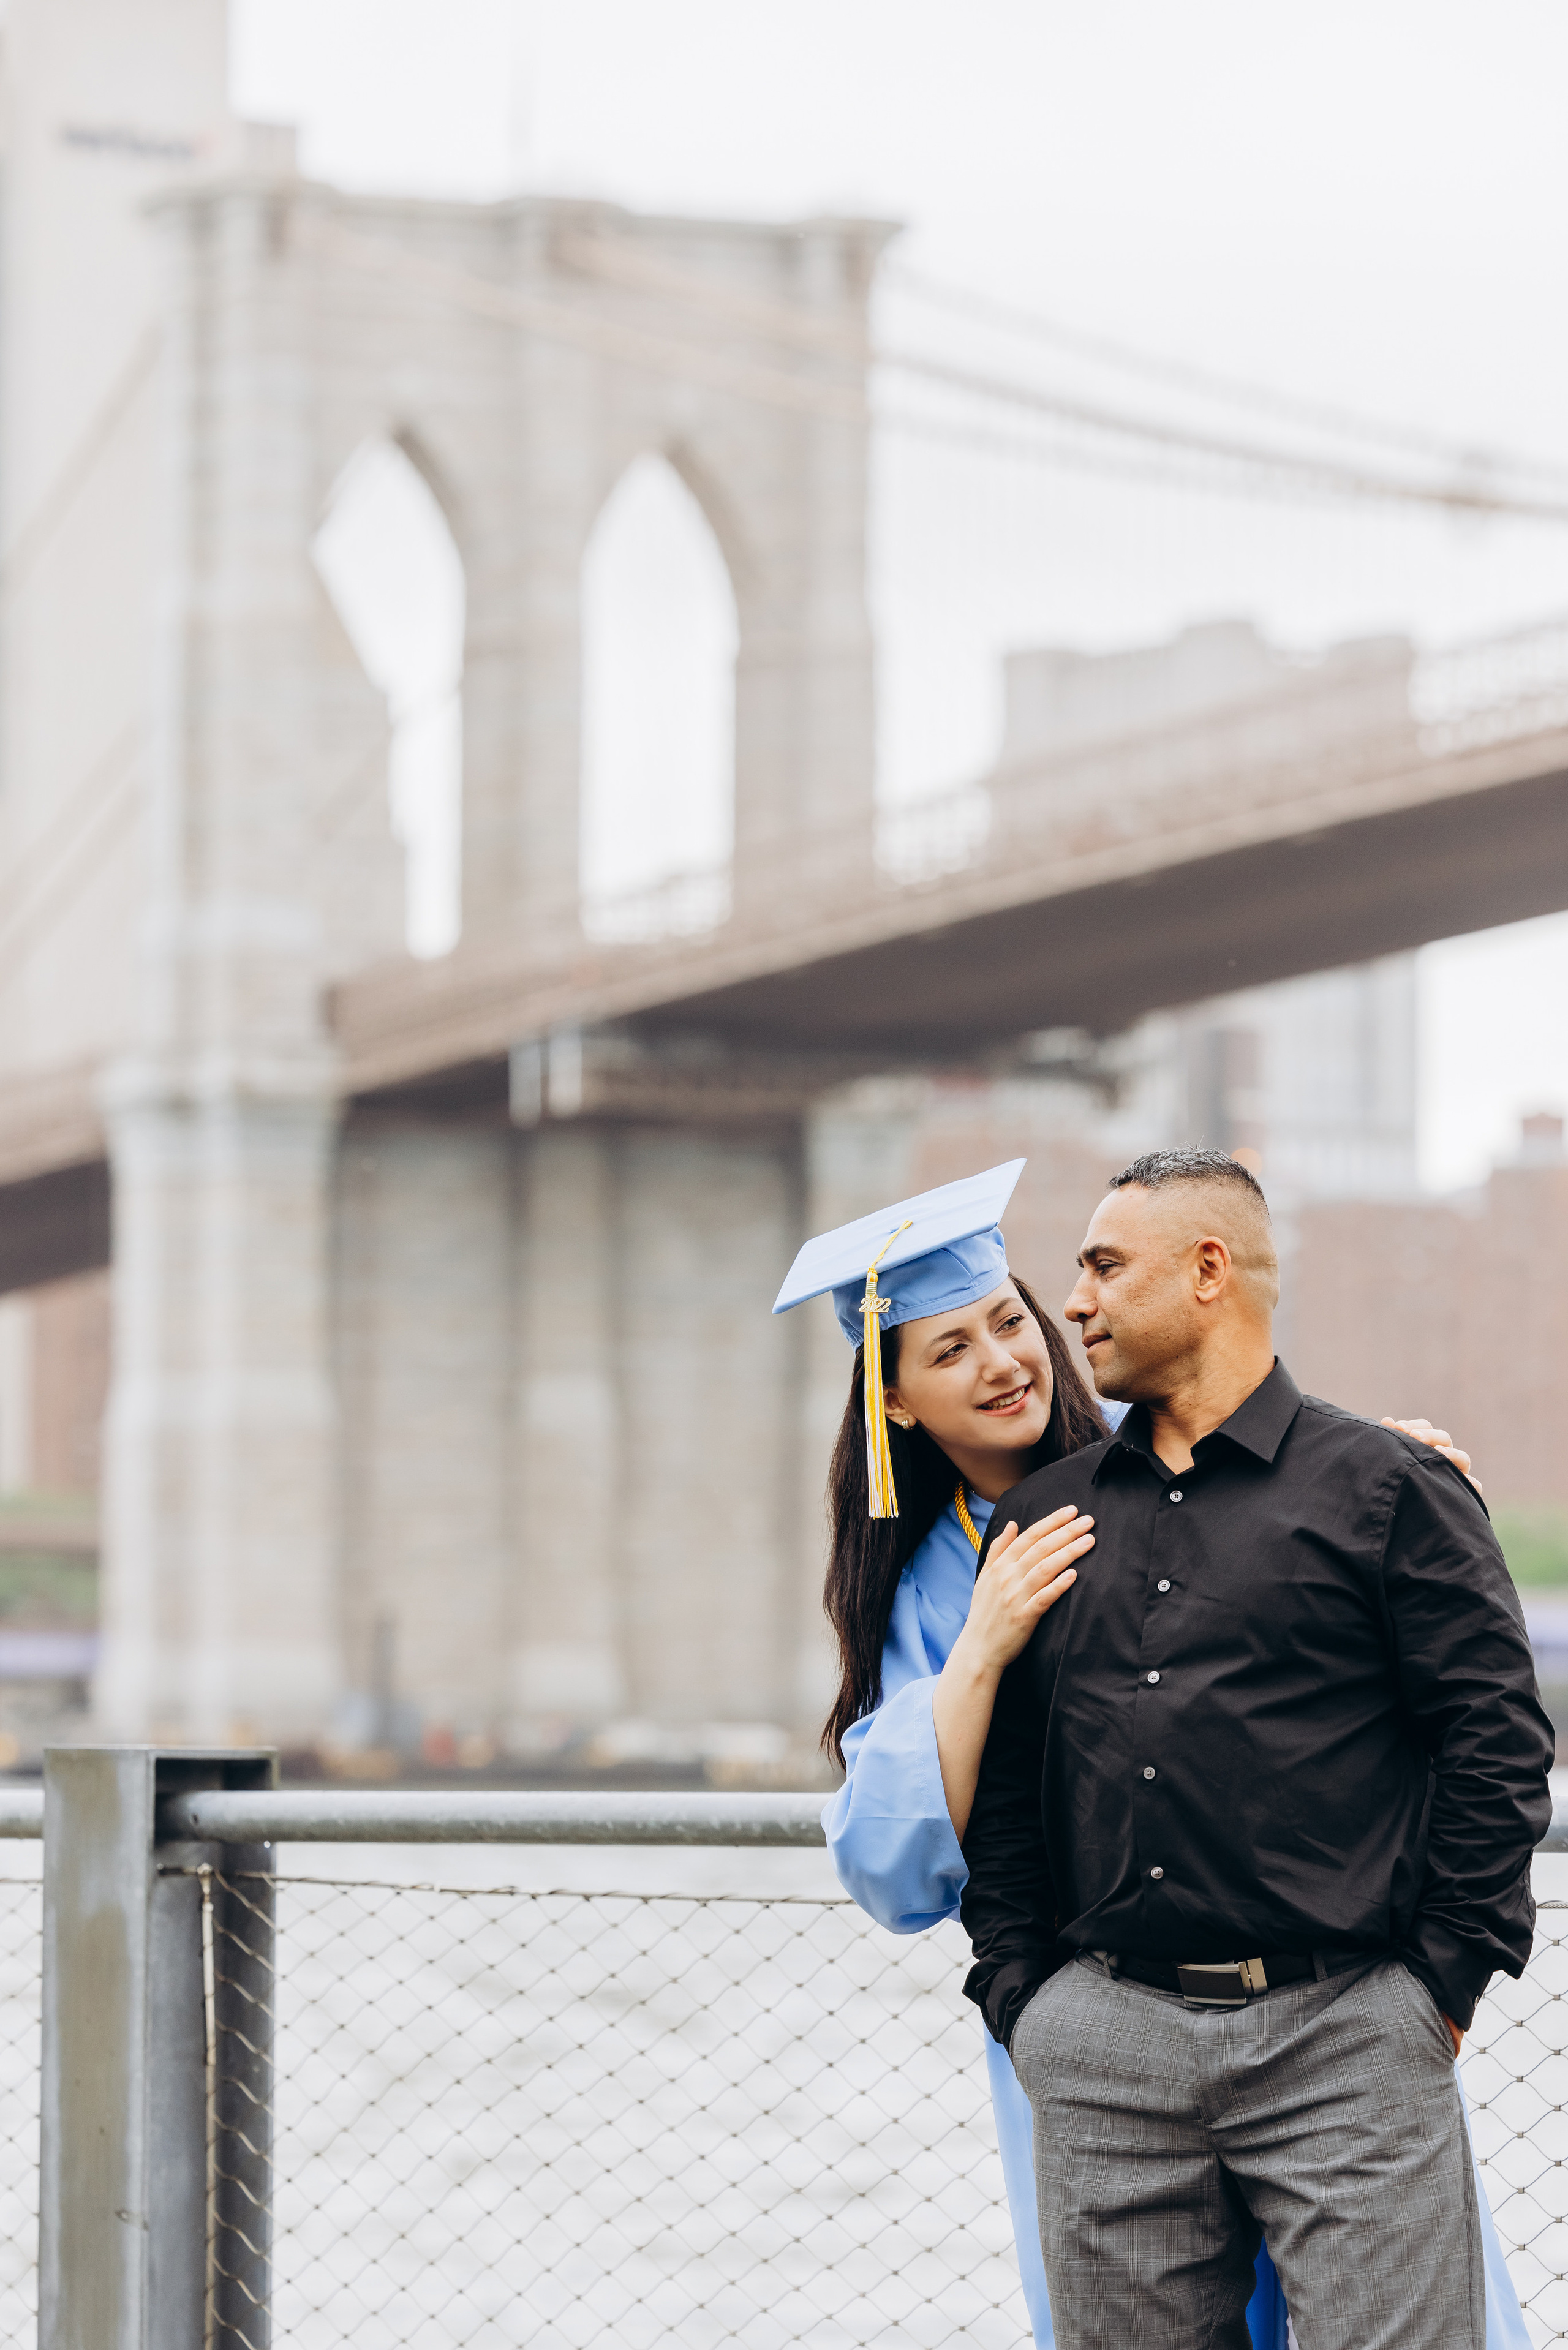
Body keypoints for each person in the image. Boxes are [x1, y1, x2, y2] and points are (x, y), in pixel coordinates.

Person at [772, 1159, 1515, 2350]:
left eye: (1007, 1320)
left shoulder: (1172, 1448)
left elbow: (1294, 1502)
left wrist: (1438, 1973)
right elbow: (891, 1864)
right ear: (893, 1399)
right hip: (1100, 2028)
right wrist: (982, 1644)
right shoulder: (929, 1584)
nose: (1003, 1360)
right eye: (947, 1349)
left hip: (1318, 2006)